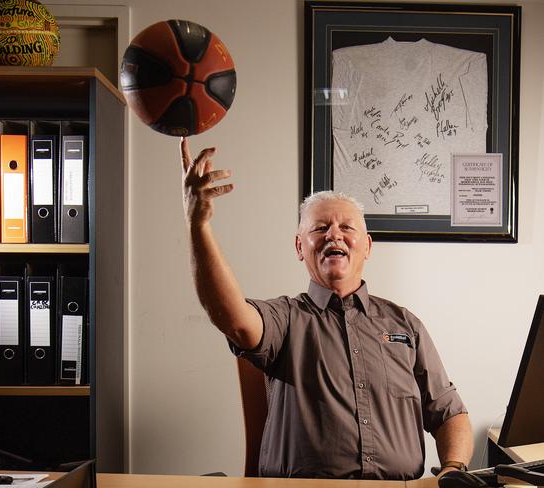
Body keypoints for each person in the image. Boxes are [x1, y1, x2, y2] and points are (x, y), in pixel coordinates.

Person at [180, 138, 473, 480]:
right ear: (299, 247)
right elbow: (234, 319)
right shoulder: (285, 319)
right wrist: (198, 225)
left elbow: (450, 412)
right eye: (320, 228)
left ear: (366, 246)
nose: (334, 235)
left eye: (347, 227)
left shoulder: (405, 324)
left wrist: (452, 471)